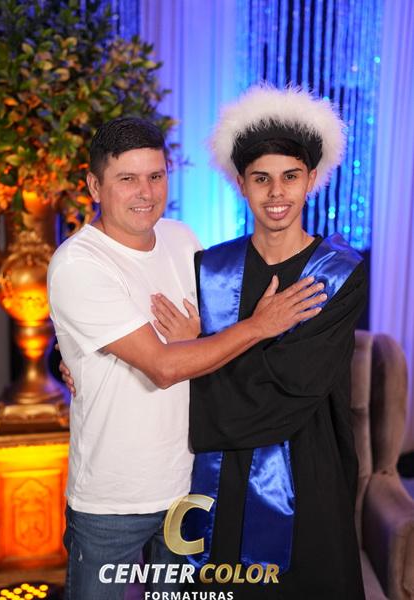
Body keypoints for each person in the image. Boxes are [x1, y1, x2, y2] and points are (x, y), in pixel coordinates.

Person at [47, 116, 323, 600]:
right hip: (112, 501)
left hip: (187, 486)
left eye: (156, 176)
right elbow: (164, 367)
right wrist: (260, 325)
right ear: (94, 185)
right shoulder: (79, 263)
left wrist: (197, 336)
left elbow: (211, 337)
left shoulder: (181, 239)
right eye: (127, 178)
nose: (145, 192)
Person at [152, 85, 367, 599]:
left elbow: (292, 387)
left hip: (309, 475)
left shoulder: (338, 274)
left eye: (290, 176)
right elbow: (139, 346)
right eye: (261, 178)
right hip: (218, 483)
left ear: (311, 180)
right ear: (241, 184)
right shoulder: (209, 269)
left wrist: (198, 356)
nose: (277, 193)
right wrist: (74, 364)